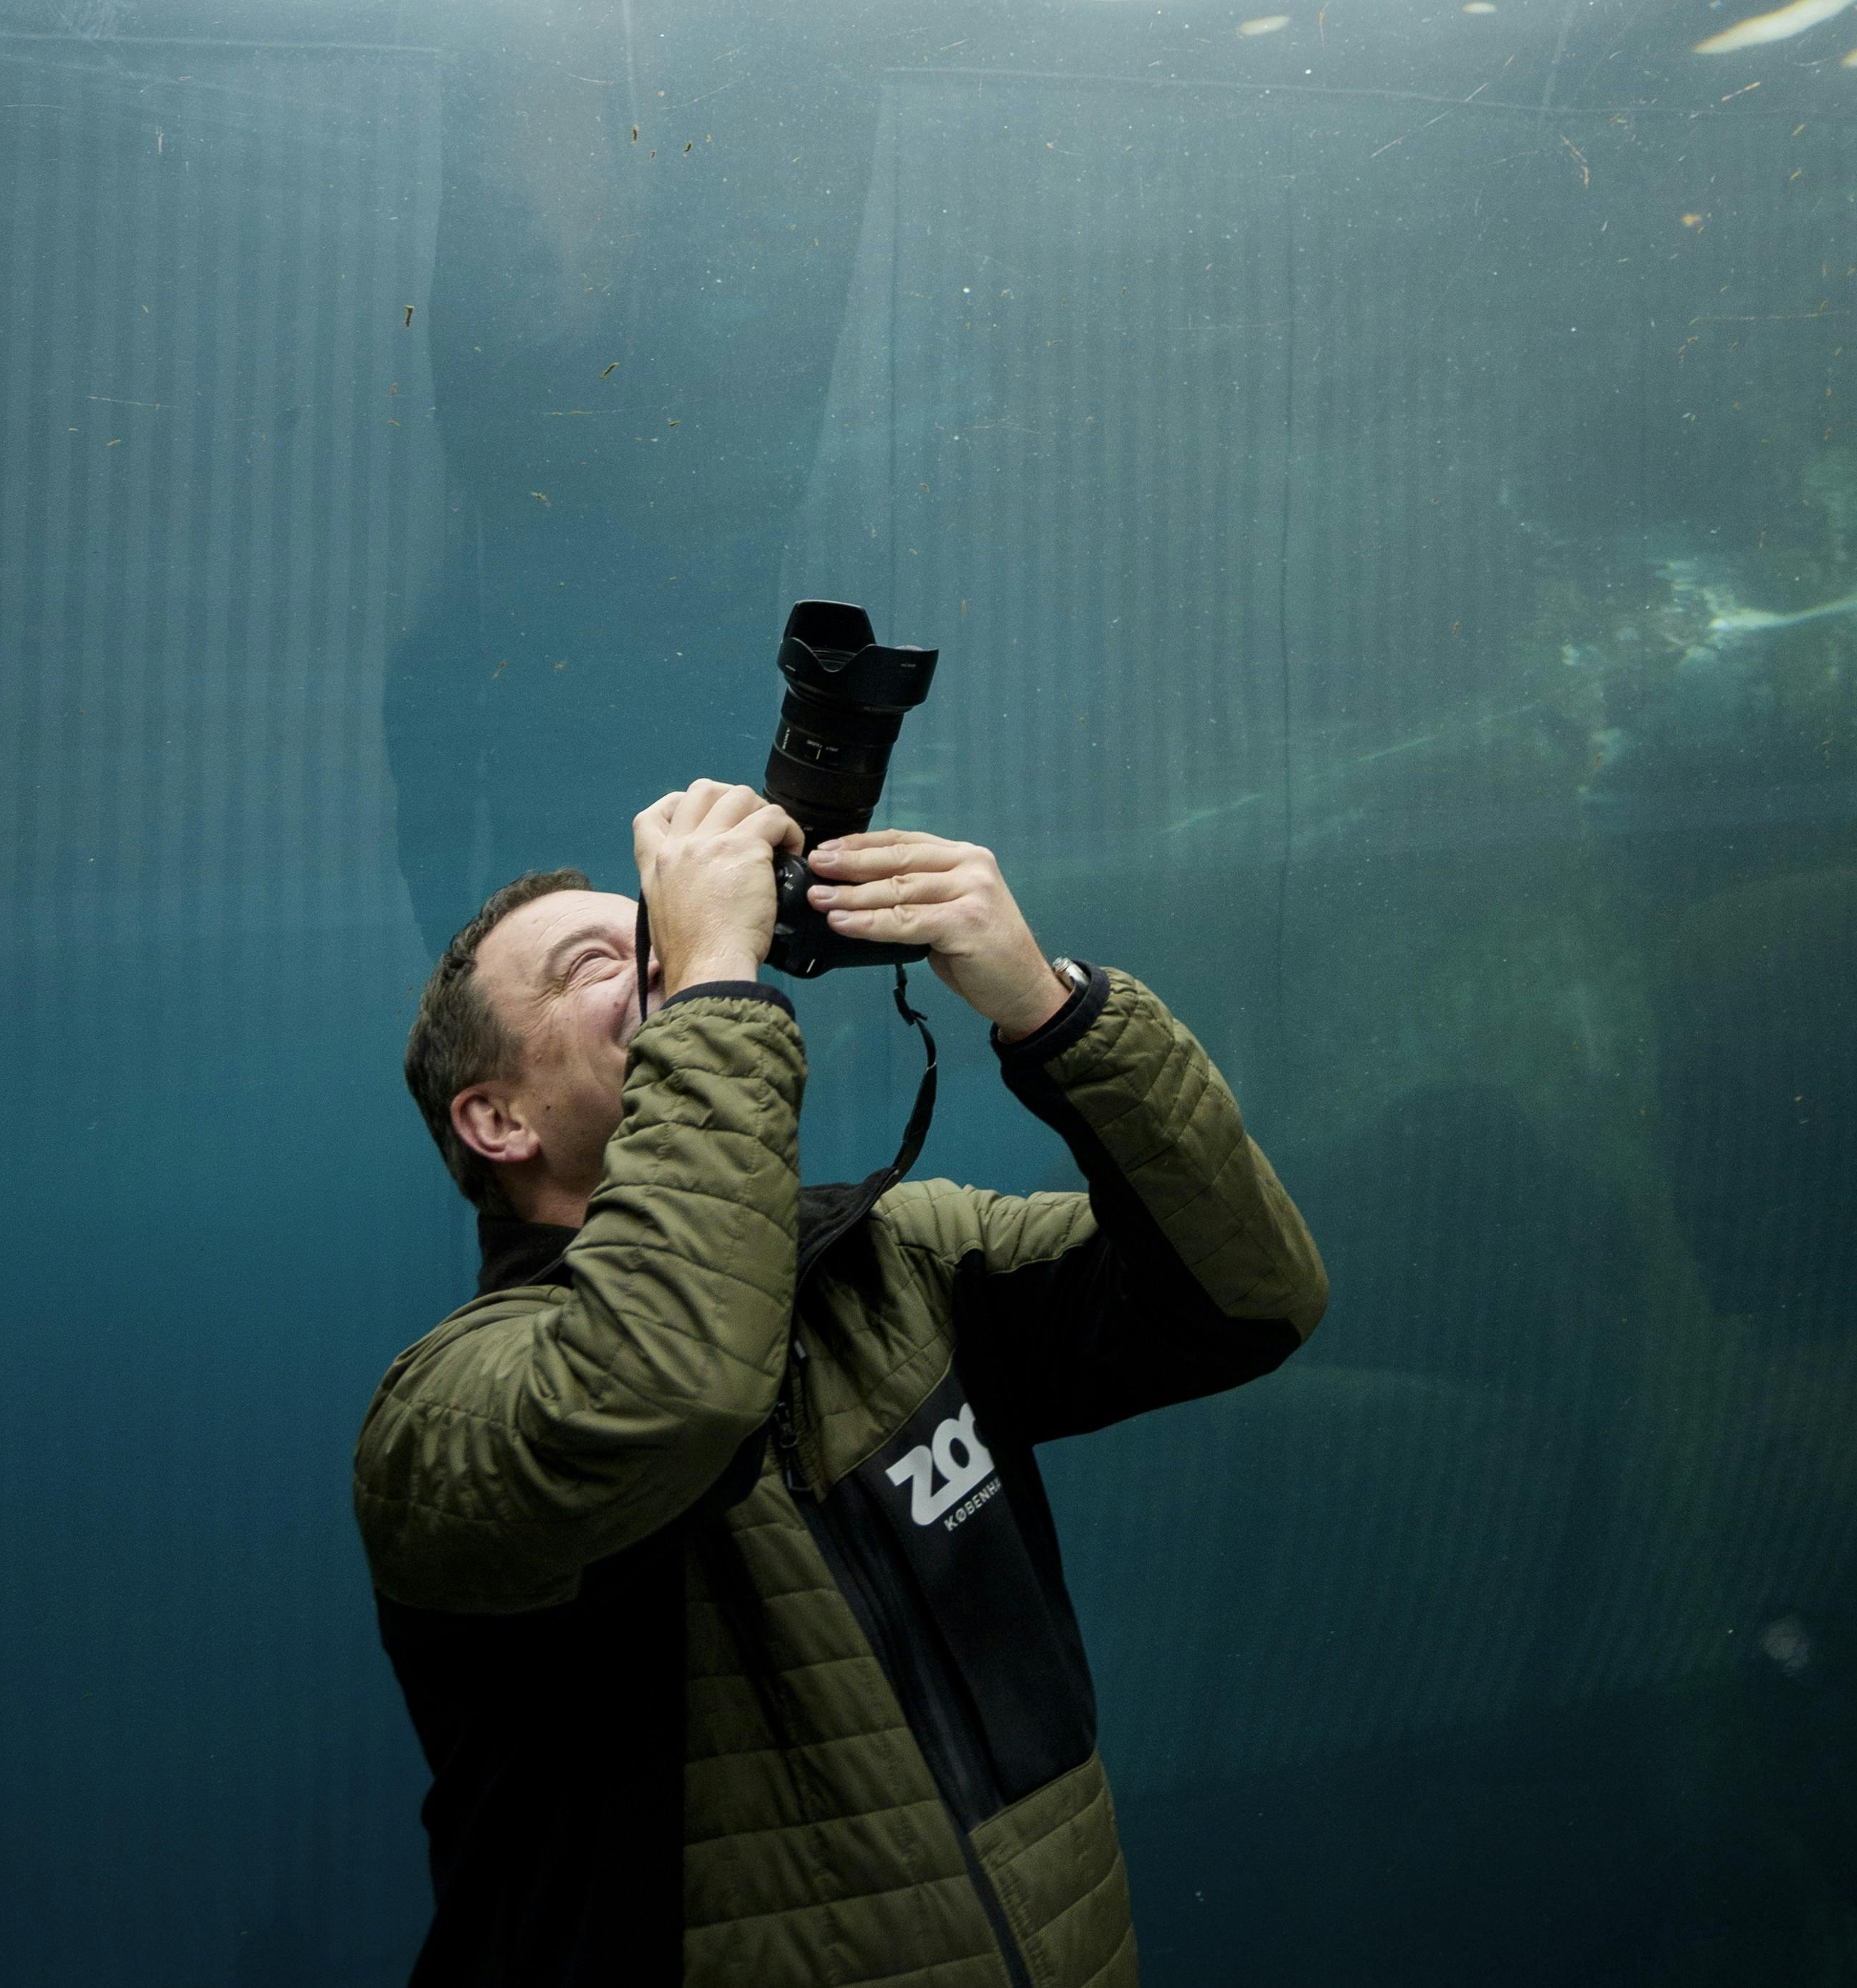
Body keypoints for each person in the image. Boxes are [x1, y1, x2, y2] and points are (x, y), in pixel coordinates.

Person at [356, 778, 1327, 1987]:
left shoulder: (901, 1261)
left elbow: (1250, 1298)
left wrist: (1044, 1006)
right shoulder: (443, 1415)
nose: (657, 946)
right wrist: (710, 971)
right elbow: (680, 1385)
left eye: (649, 921)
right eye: (593, 962)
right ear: (497, 1118)